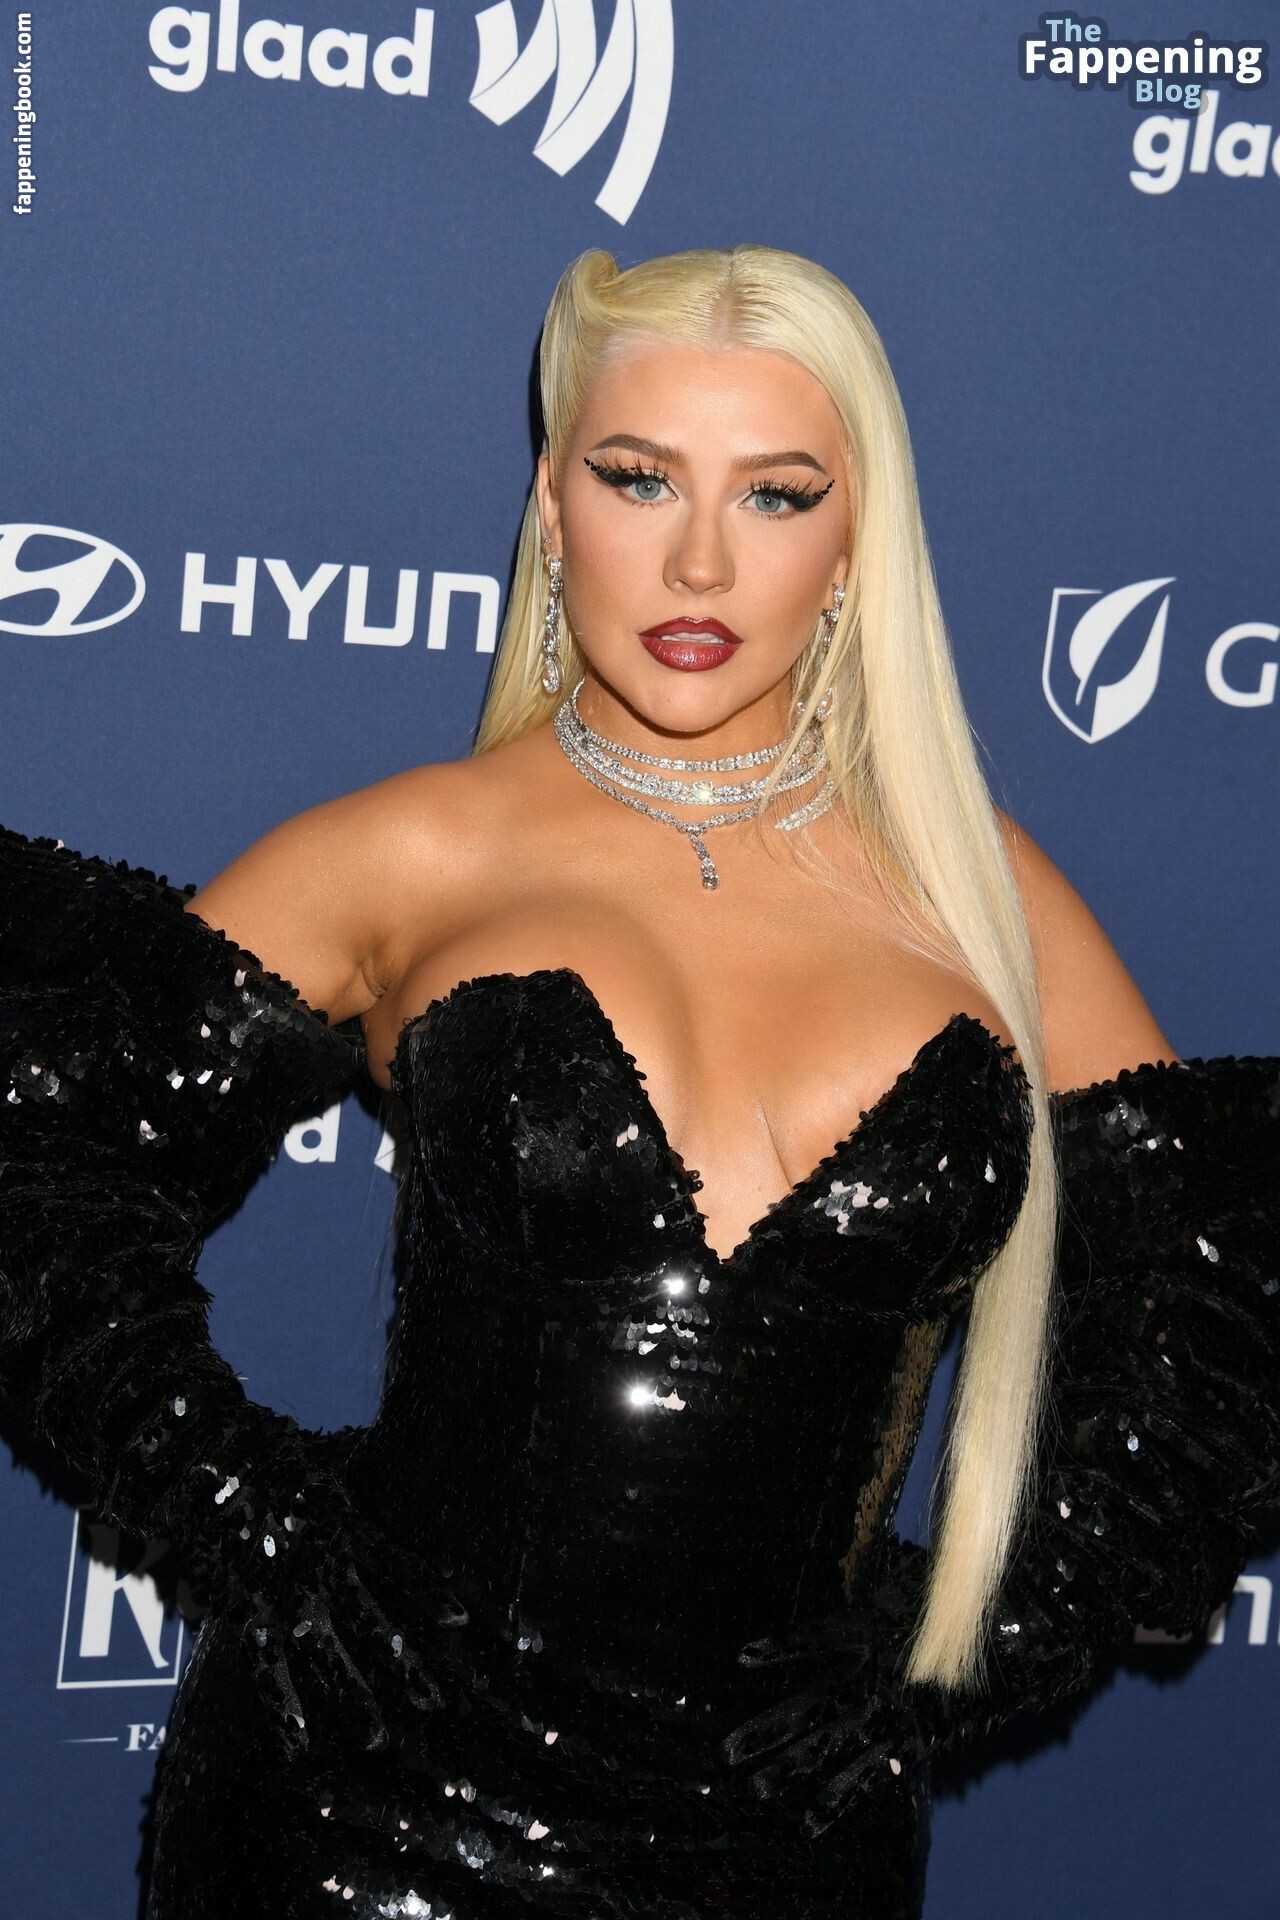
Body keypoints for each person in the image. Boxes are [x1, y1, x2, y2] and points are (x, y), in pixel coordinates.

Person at [1, 243, 1276, 1920]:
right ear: (551, 506)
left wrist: (982, 1637)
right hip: (356, 1816)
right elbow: (43, 1178)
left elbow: (1219, 1307)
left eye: (776, 494)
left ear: (855, 543)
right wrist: (252, 1524)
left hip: (788, 1846)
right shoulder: (410, 856)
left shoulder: (981, 895)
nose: (699, 559)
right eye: (638, 478)